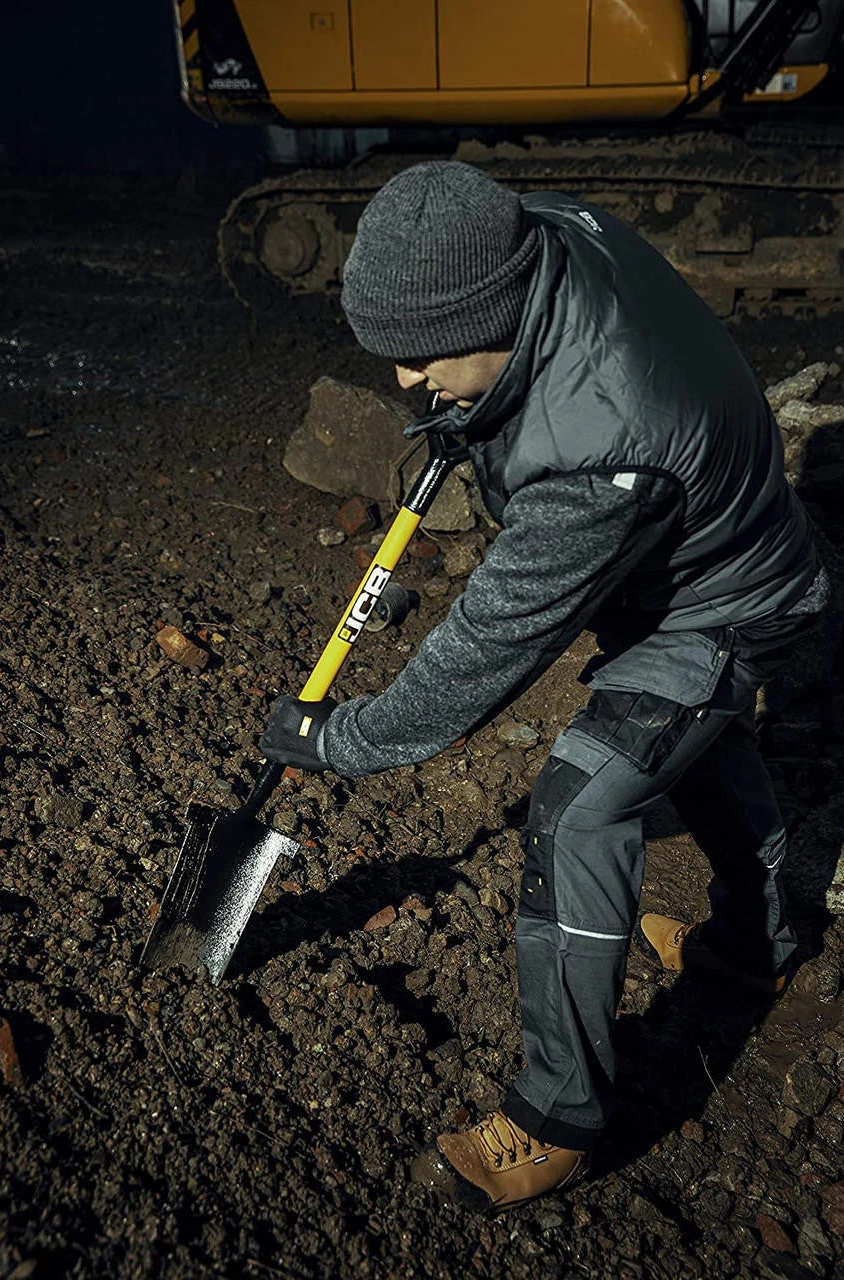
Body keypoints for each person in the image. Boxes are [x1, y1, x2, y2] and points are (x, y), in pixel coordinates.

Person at [259, 161, 828, 1213]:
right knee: (688, 742)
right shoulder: (545, 228)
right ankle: (757, 946)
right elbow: (526, 391)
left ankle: (558, 1120)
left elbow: (489, 646)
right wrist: (473, 406)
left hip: (723, 601)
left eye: (424, 356)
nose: (404, 382)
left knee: (580, 802)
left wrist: (343, 738)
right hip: (710, 544)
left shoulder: (601, 447)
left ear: (494, 313)